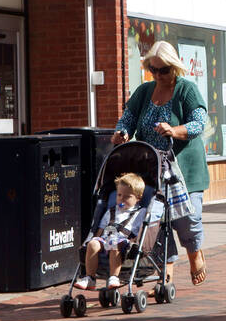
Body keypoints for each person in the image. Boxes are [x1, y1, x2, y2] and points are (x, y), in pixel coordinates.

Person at [113, 40, 210, 287]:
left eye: (163, 70)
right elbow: (128, 118)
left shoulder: (186, 90)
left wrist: (174, 130)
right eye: (153, 70)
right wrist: (122, 132)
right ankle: (165, 274)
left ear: (174, 68)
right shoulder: (144, 91)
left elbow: (198, 123)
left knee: (188, 218)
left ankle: (195, 252)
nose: (158, 75)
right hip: (152, 167)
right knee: (158, 220)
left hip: (184, 168)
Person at [75, 172, 151, 290]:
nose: (122, 199)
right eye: (119, 195)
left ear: (138, 198)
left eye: (127, 196)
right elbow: (100, 228)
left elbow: (140, 231)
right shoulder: (111, 210)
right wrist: (94, 239)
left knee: (114, 243)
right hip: (106, 239)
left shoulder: (141, 213)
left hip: (124, 243)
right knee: (93, 243)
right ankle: (90, 278)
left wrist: (135, 242)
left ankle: (114, 276)